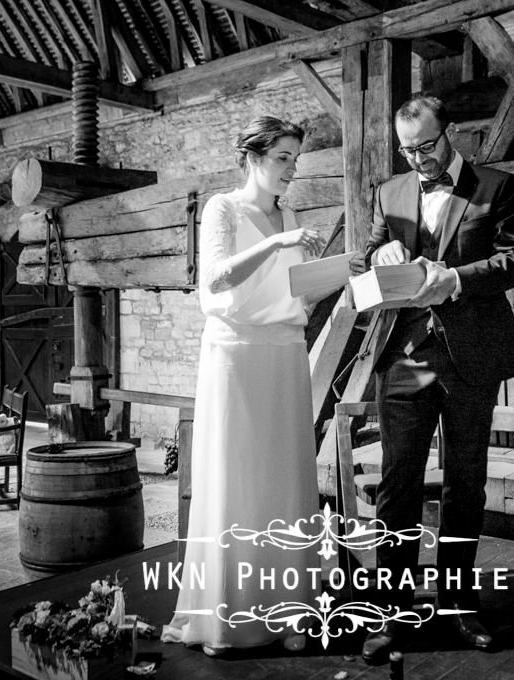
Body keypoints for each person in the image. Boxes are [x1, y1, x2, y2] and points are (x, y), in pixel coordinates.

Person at [358, 95, 514, 660]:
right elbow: (365, 260)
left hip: (470, 357)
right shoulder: (390, 191)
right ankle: (392, 609)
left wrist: (453, 278)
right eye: (408, 151)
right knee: (397, 486)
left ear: (449, 134)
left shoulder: (495, 186)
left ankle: (456, 603)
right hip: (404, 357)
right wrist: (382, 252)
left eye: (426, 147)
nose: (418, 160)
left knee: (465, 484)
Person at [162, 116, 330, 657]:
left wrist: (325, 277)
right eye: (283, 157)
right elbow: (214, 278)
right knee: (237, 478)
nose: (291, 168)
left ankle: (290, 614)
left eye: (295, 159)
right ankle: (230, 620)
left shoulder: (292, 214)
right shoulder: (223, 208)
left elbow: (288, 289)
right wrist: (277, 241)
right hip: (235, 352)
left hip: (284, 352)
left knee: (284, 475)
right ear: (253, 157)